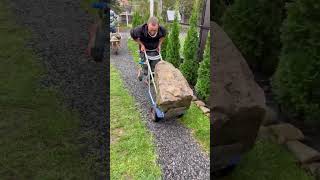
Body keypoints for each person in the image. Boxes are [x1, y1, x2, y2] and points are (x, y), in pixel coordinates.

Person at [130, 16, 167, 81]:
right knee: (146, 67)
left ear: (158, 26)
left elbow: (163, 36)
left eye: (155, 30)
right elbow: (133, 36)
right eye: (151, 30)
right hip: (144, 50)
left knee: (154, 67)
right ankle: (142, 71)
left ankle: (149, 80)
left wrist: (159, 45)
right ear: (147, 25)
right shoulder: (140, 29)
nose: (152, 32)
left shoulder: (162, 29)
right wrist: (141, 45)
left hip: (155, 49)